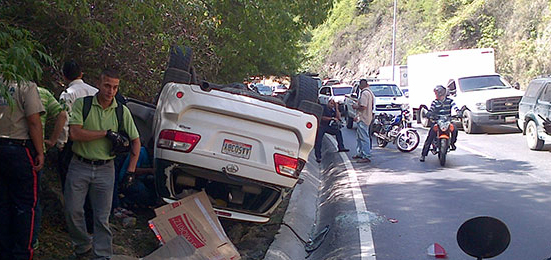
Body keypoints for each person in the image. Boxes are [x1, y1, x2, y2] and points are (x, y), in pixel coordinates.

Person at [64, 69, 140, 259]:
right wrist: (106, 133)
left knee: (102, 217)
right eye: (107, 85)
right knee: (72, 210)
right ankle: (82, 246)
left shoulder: (122, 111)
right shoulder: (84, 104)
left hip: (106, 168)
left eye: (115, 87)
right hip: (79, 164)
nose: (111, 91)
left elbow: (136, 141)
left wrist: (130, 170)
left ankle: (102, 255)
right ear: (99, 83)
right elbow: (74, 134)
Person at [0, 79, 45, 260]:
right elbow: (34, 121)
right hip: (19, 149)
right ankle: (22, 253)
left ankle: (4, 251)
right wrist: (40, 151)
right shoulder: (25, 86)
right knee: (25, 206)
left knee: (3, 204)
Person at [31, 87, 67, 249]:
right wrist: (52, 140)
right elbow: (62, 114)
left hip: (12, 148)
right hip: (35, 151)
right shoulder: (42, 93)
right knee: (32, 199)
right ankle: (32, 238)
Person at [419, 85, 460, 162]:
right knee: (430, 137)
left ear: (441, 93)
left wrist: (458, 112)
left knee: (455, 130)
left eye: (437, 93)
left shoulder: (450, 101)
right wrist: (429, 114)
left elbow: (455, 108)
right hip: (437, 121)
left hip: (447, 121)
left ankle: (452, 143)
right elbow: (431, 110)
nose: (436, 95)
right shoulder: (435, 102)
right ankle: (423, 155)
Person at [314, 98, 350, 163]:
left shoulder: (333, 109)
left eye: (333, 104)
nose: (332, 105)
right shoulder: (323, 108)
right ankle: (318, 156)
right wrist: (331, 118)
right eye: (331, 103)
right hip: (321, 126)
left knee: (338, 132)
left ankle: (341, 147)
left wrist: (336, 108)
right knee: (319, 140)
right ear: (327, 103)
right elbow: (322, 118)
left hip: (328, 126)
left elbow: (338, 117)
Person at [352, 79, 374, 163]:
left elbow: (363, 106)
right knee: (360, 136)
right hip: (366, 117)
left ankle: (366, 155)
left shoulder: (364, 93)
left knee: (364, 137)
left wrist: (356, 107)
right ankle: (360, 152)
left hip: (364, 118)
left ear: (361, 85)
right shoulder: (369, 92)